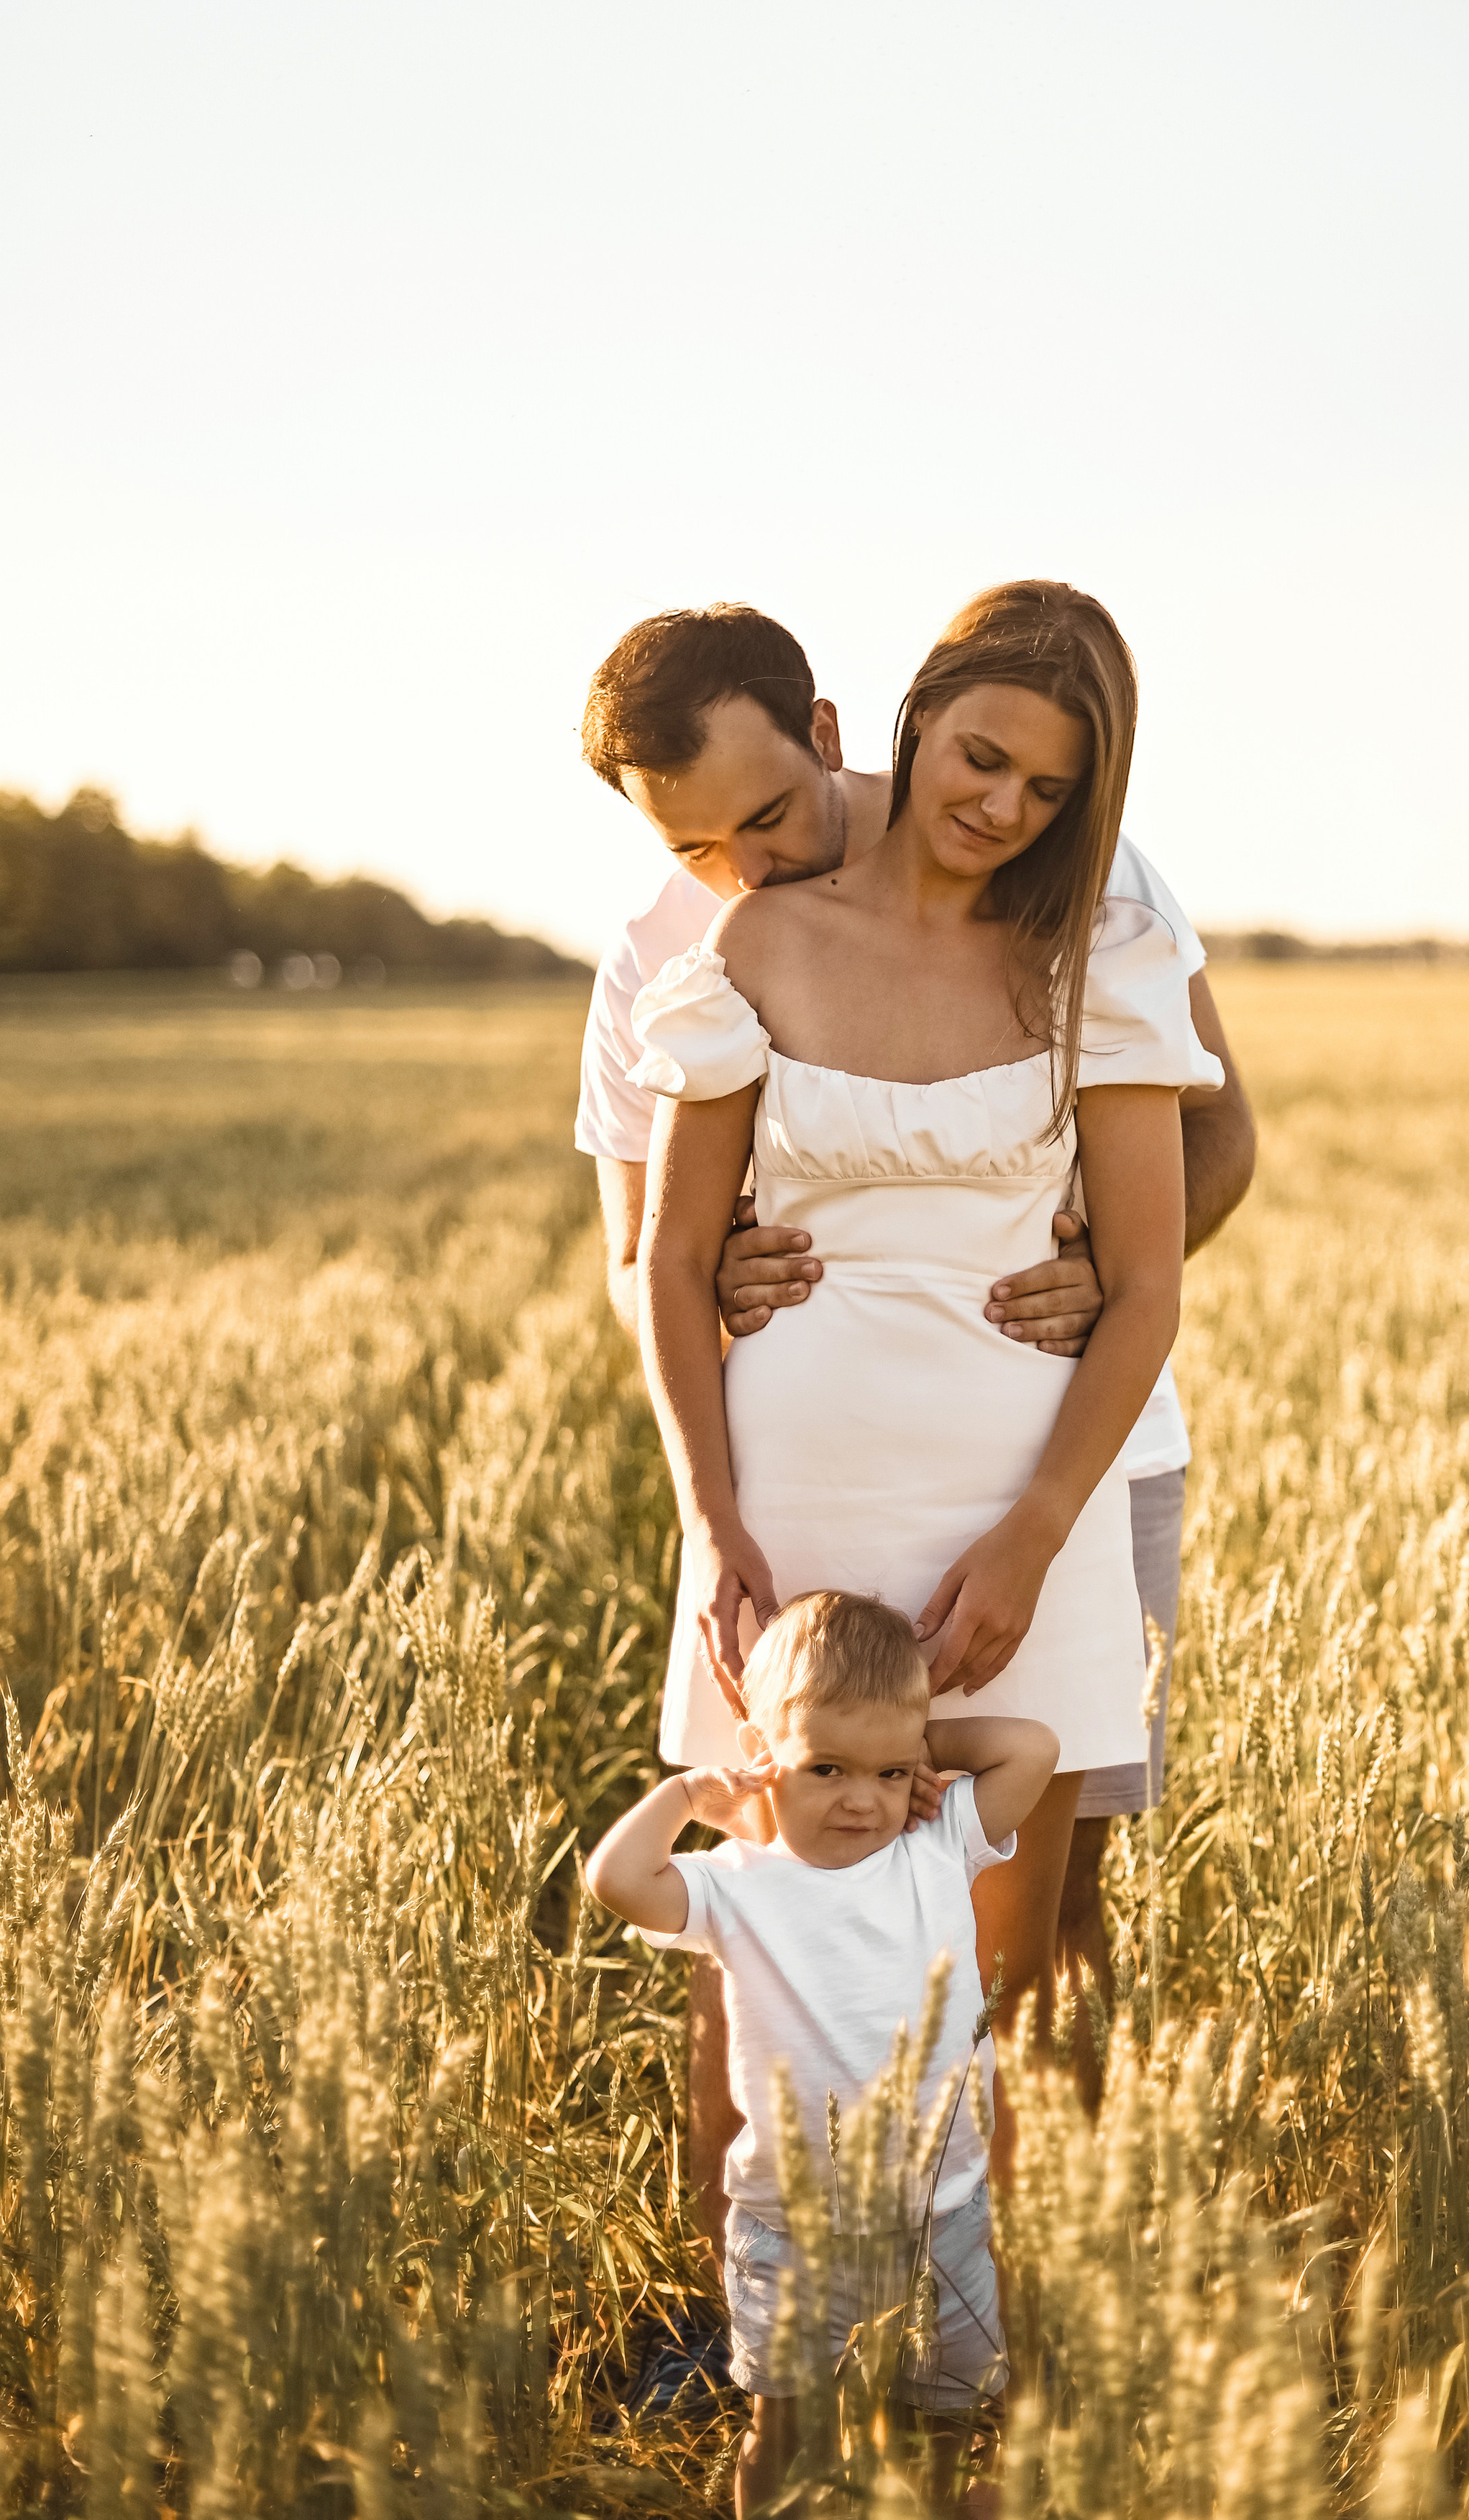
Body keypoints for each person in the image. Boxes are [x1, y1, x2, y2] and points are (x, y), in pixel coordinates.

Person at [575, 597, 1254, 2244]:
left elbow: (1181, 1217)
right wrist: (712, 1520)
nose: (1002, 803)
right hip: (787, 1490)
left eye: (1041, 784)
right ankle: (746, 2312)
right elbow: (651, 1257)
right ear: (915, 709)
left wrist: (1084, 1298)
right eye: (981, 757)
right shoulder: (706, 946)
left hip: (1031, 1497)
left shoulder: (1101, 934)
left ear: (830, 732)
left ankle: (968, 2321)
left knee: (1011, 1932)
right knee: (756, 1905)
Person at [585, 1589, 1056, 2513]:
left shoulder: (936, 1844)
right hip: (791, 2227)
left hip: (941, 2211)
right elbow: (615, 1881)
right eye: (828, 1767)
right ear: (764, 1758)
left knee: (943, 2419)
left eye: (886, 1774)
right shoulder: (737, 1886)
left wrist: (925, 1752)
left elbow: (1031, 1748)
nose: (861, 1800)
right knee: (786, 2427)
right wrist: (688, 1795)